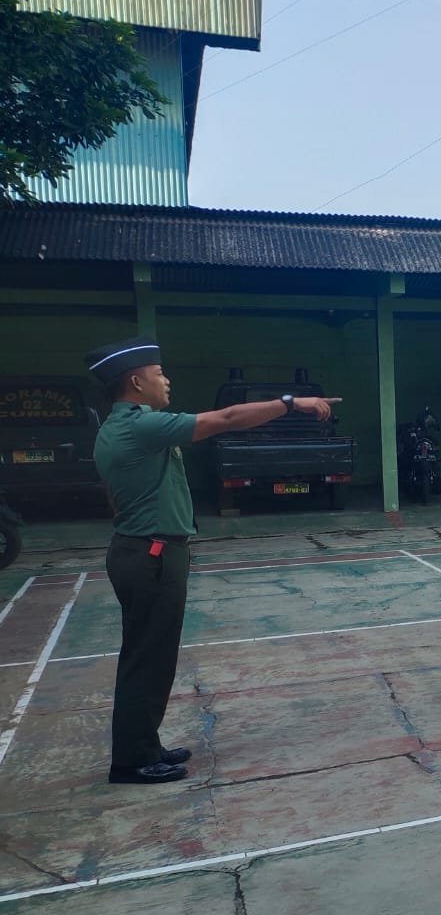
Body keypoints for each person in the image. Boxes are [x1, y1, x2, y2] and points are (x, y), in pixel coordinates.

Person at [85, 336, 334, 784]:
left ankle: (144, 744)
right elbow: (228, 418)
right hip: (152, 554)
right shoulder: (142, 426)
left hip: (141, 550)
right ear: (136, 382)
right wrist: (290, 403)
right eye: (159, 374)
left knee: (149, 655)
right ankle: (132, 761)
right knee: (148, 658)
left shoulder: (118, 427)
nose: (166, 380)